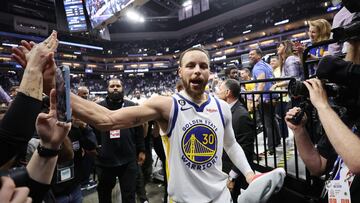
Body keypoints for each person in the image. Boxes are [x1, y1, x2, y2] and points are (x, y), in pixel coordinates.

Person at [70, 47, 256, 202]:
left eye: (203, 66)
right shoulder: (166, 105)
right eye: (190, 65)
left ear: (209, 72)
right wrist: (56, 84)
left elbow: (231, 145)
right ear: (180, 72)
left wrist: (249, 174)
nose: (197, 70)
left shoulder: (222, 107)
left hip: (221, 198)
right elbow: (107, 120)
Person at [285, 38, 360, 202]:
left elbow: (357, 162)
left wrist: (323, 106)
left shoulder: (332, 113)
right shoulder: (348, 116)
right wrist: (299, 131)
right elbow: (317, 166)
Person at [94, 78, 145, 203]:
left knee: (129, 195)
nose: (115, 88)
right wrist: (94, 147)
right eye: (112, 86)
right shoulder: (98, 107)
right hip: (105, 160)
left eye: (118, 86)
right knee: (104, 195)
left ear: (123, 88)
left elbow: (139, 131)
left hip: (128, 159)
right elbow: (93, 130)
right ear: (107, 89)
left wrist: (142, 150)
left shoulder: (131, 106)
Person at [217, 79, 255, 203]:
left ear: (228, 92)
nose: (217, 92)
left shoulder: (241, 115)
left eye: (220, 89)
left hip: (236, 174)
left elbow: (245, 148)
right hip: (226, 168)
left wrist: (232, 177)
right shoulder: (227, 110)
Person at [249, 48, 280, 156]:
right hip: (273, 96)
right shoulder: (267, 65)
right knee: (273, 119)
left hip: (265, 98)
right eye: (249, 55)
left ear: (259, 55)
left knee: (268, 124)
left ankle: (271, 148)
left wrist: (255, 98)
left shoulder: (258, 67)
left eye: (252, 54)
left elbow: (261, 83)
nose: (250, 56)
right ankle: (277, 141)